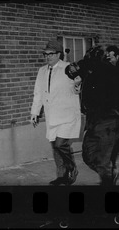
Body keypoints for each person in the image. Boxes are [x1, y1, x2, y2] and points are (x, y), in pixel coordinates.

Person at [65, 46, 119, 186]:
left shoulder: (110, 71)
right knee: (88, 156)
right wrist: (73, 69)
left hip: (108, 121)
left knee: (103, 161)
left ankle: (107, 181)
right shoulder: (89, 69)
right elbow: (70, 71)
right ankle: (109, 175)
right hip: (93, 121)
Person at [30, 39, 82, 186]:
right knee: (55, 147)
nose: (48, 57)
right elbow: (38, 93)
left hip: (67, 114)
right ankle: (61, 176)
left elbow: (76, 89)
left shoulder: (68, 68)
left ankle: (71, 168)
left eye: (51, 54)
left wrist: (78, 84)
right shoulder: (42, 70)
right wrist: (35, 112)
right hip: (51, 115)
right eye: (45, 54)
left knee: (60, 144)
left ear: (59, 54)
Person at [105, 45, 119, 174]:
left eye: (111, 57)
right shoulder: (107, 71)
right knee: (112, 138)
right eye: (107, 57)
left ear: (117, 57)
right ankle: (111, 164)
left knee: (117, 138)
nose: (109, 60)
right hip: (111, 110)